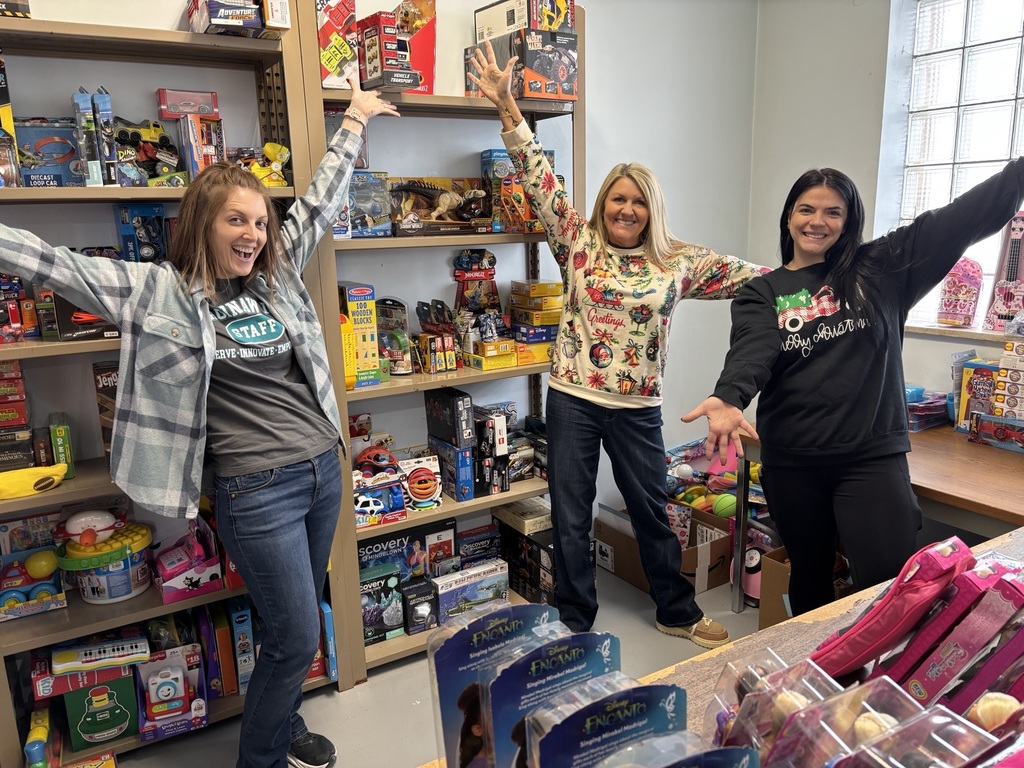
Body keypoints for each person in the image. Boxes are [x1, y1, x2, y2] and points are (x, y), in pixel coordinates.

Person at [0, 76, 399, 768]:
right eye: (236, 221)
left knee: (290, 629)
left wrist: (356, 119)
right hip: (257, 490)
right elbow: (56, 266)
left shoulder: (275, 276)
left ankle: (284, 721)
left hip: (320, 473)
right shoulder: (159, 292)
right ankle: (263, 758)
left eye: (259, 221)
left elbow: (319, 201)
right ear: (202, 225)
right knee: (297, 636)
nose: (254, 234)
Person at [468, 41, 769, 647]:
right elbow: (538, 174)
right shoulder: (577, 240)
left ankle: (675, 611)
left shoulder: (679, 262)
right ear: (603, 203)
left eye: (637, 201)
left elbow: (762, 282)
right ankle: (576, 621)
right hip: (573, 399)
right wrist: (507, 107)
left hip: (638, 408)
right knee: (571, 515)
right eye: (617, 198)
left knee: (654, 512)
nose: (626, 208)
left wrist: (825, 276)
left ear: (651, 210)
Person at [683, 160, 1024, 616]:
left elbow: (960, 217)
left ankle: (885, 680)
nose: (817, 222)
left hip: (870, 459)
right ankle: (819, 678)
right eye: (806, 209)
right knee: (810, 575)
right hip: (794, 463)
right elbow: (754, 349)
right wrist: (729, 396)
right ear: (789, 217)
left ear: (849, 222)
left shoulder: (882, 269)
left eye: (833, 212)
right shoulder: (762, 293)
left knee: (893, 581)